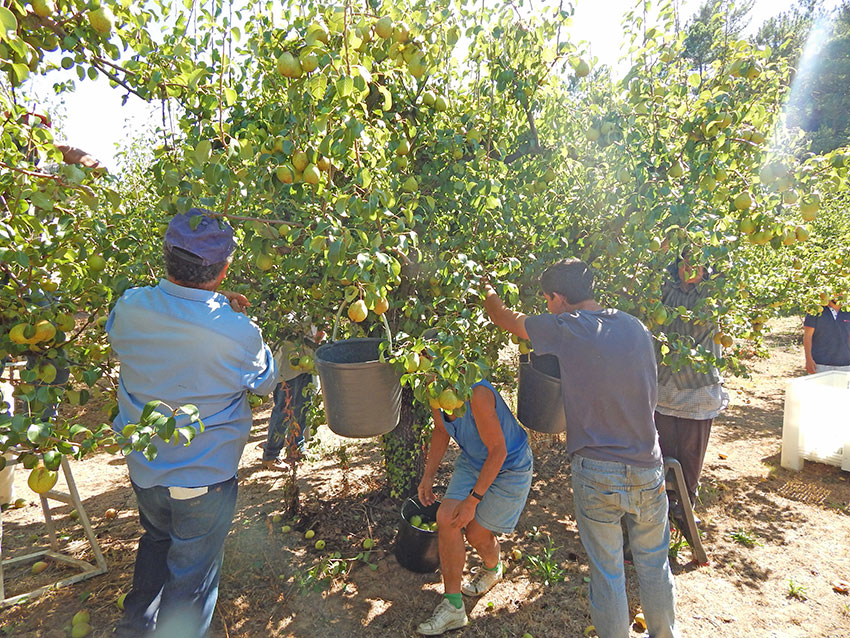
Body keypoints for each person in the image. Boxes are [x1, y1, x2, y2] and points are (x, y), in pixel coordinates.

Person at [483, 259, 679, 638]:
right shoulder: (635, 326)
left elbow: (504, 318)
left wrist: (487, 289)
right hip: (646, 463)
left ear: (558, 297)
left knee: (607, 571)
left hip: (598, 469)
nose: (547, 307)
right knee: (655, 564)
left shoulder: (567, 328)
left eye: (547, 300)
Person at [107, 209, 277, 638]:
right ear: (222, 271)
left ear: (167, 257)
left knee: (156, 541)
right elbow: (264, 382)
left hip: (146, 467)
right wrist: (237, 320)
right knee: (191, 580)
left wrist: (217, 306)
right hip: (205, 478)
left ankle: (135, 628)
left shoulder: (129, 307)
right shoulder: (238, 334)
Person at [416, 341, 533, 636]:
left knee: (476, 532)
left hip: (509, 466)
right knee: (446, 519)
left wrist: (473, 501)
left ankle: (493, 567)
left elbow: (498, 451)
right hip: (473, 461)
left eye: (426, 362)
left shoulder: (476, 393)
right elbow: (441, 430)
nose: (423, 371)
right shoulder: (435, 392)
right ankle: (453, 606)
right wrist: (428, 476)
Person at [655, 253, 728, 526]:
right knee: (662, 449)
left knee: (690, 453)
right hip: (664, 384)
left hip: (698, 386)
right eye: (685, 261)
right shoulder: (664, 287)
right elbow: (649, 273)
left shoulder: (713, 292)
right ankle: (661, 506)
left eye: (697, 261)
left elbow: (727, 265)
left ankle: (685, 509)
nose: (690, 268)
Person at [261, 325, 323, 470]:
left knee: (303, 407)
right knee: (283, 411)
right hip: (286, 368)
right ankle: (270, 455)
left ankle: (296, 447)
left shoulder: (313, 308)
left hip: (306, 363)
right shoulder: (285, 309)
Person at [804, 297, 850, 374]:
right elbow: (808, 336)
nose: (839, 294)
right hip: (820, 364)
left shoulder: (847, 311)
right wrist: (808, 359)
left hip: (845, 364)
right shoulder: (816, 310)